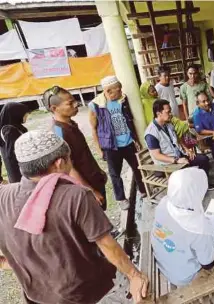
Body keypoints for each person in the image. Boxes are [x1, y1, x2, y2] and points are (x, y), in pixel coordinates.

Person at [0, 130, 148, 303]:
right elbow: (107, 245)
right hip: (85, 294)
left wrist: (10, 263)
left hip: (37, 297)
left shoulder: (4, 195)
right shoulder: (76, 196)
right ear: (60, 163)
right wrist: (134, 275)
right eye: (70, 158)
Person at [151, 167, 214, 299]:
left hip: (165, 263)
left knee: (213, 236)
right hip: (185, 276)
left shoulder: (164, 204)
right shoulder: (197, 230)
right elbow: (208, 263)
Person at [41, 86, 108, 210]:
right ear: (54, 108)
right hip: (84, 188)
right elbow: (69, 168)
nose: (76, 104)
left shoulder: (71, 124)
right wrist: (90, 191)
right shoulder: (59, 133)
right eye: (70, 103)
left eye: (74, 100)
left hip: (93, 178)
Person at [89, 75, 147, 210]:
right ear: (108, 91)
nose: (121, 92)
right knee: (115, 174)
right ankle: (121, 198)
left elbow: (129, 119)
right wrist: (99, 149)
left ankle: (143, 190)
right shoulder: (95, 105)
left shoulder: (123, 99)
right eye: (118, 90)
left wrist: (135, 139)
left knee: (137, 167)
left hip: (127, 142)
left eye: (120, 89)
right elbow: (93, 128)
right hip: (111, 146)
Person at [145, 99, 214, 191]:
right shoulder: (151, 133)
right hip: (167, 164)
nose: (171, 114)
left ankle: (204, 184)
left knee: (203, 159)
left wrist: (187, 150)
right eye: (168, 112)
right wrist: (176, 160)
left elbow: (177, 139)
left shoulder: (168, 124)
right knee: (186, 171)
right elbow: (157, 155)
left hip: (179, 155)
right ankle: (191, 188)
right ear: (158, 113)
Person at [0, 102, 33, 183]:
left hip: (22, 165)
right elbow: (11, 154)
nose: (26, 116)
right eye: (24, 114)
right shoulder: (10, 130)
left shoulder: (17, 127)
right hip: (18, 169)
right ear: (16, 114)